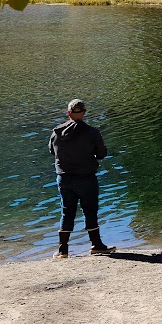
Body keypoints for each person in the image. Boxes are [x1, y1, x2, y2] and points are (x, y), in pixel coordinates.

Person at [50, 98, 116, 258]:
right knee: (90, 211)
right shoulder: (92, 132)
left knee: (66, 212)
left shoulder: (57, 132)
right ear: (84, 113)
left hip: (64, 178)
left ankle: (62, 250)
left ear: (68, 113)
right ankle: (96, 245)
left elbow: (52, 152)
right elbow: (102, 154)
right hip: (86, 177)